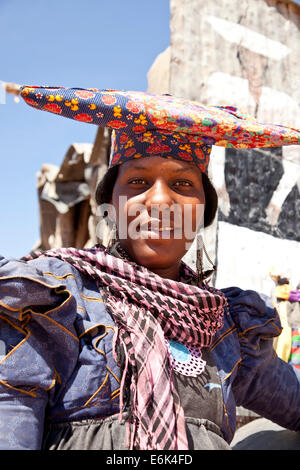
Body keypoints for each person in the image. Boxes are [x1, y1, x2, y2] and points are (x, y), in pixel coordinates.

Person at [0, 86, 300, 451]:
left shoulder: (227, 328)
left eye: (183, 183)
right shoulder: (57, 303)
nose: (159, 201)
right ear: (112, 202)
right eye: (139, 182)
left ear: (203, 211)